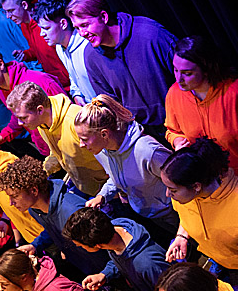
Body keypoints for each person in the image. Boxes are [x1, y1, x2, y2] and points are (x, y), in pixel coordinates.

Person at [164, 35, 238, 181]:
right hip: (210, 182)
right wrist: (177, 141)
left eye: (187, 74)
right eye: (175, 70)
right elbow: (173, 131)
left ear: (206, 69)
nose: (179, 79)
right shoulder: (174, 94)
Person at [161, 137, 238, 288]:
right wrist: (182, 236)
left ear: (196, 186)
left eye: (173, 190)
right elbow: (186, 216)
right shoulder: (183, 199)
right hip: (225, 264)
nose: (167, 194)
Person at [67, 0, 178, 136]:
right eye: (77, 28)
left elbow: (187, 73)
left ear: (104, 17)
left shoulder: (149, 34)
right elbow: (111, 103)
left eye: (85, 25)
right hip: (144, 134)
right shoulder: (90, 56)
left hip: (180, 122)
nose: (81, 33)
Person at [74, 94, 178, 241]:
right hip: (148, 215)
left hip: (171, 212)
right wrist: (102, 196)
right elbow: (117, 175)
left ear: (104, 134)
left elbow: (181, 180)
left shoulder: (147, 151)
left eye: (84, 139)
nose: (81, 144)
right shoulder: (102, 151)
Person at [0, 154, 109, 277]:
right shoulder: (35, 210)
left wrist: (107, 274)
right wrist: (35, 245)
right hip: (88, 269)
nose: (11, 203)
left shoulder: (72, 212)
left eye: (15, 196)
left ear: (34, 190)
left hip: (109, 270)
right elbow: (53, 230)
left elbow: (110, 243)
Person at [62, 207, 171, 291]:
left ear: (98, 245)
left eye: (81, 246)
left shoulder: (147, 263)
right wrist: (104, 274)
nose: (80, 248)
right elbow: (121, 259)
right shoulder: (114, 229)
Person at [5, 81, 108, 197]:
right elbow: (58, 152)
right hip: (87, 187)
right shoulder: (42, 124)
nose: (19, 123)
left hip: (108, 189)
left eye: (23, 117)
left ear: (40, 110)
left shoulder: (76, 121)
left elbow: (109, 152)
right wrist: (43, 171)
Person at [0, 44, 66, 156]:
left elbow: (66, 113)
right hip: (48, 150)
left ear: (0, 64)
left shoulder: (38, 81)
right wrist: (3, 135)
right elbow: (19, 117)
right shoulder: (2, 89)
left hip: (65, 146)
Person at [0, 0, 71, 89]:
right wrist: (26, 54)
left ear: (24, 5)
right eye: (6, 12)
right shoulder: (24, 25)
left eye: (11, 11)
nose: (8, 16)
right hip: (59, 84)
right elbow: (40, 50)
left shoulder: (45, 21)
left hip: (72, 82)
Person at [33, 0, 98, 105]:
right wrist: (77, 95)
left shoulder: (87, 47)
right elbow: (74, 77)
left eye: (46, 28)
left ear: (63, 24)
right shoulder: (59, 48)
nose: (41, 34)